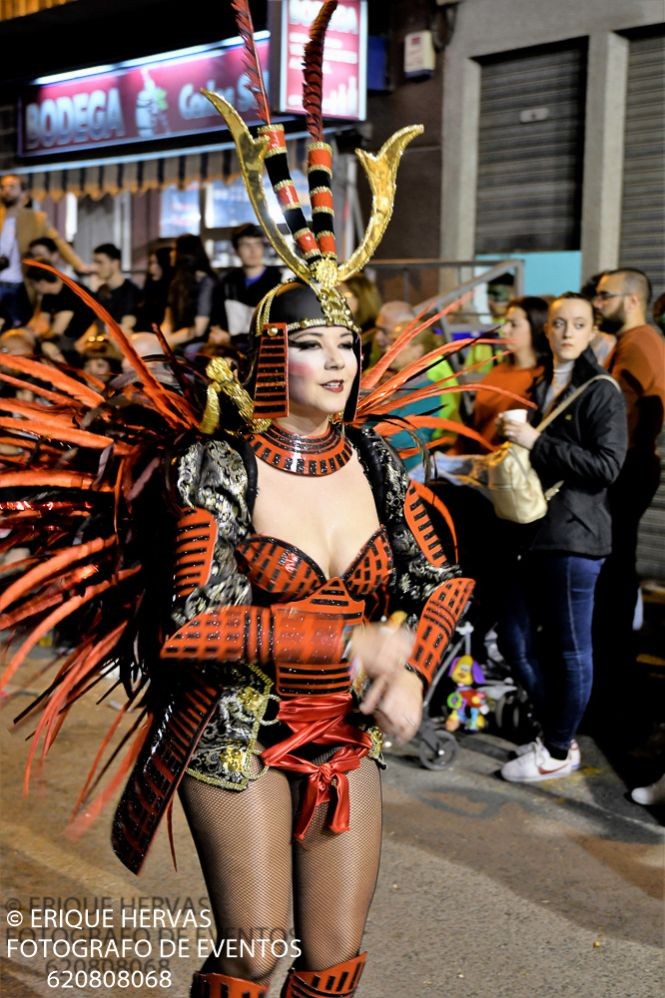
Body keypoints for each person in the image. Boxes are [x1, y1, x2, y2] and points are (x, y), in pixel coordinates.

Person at [0, 7, 473, 996]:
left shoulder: (382, 461)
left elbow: (439, 578)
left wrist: (413, 667)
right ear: (269, 356)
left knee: (334, 955)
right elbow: (188, 625)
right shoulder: (216, 467)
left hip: (347, 735)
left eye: (346, 340)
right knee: (253, 955)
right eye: (309, 341)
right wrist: (351, 642)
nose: (335, 358)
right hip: (233, 729)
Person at [497, 293, 627, 782]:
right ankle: (560, 730)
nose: (568, 332)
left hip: (576, 534)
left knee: (570, 649)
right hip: (530, 531)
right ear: (546, 330)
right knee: (514, 636)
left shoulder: (600, 390)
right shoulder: (539, 384)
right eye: (559, 324)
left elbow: (607, 467)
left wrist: (536, 441)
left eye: (579, 324)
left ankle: (555, 747)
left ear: (593, 331)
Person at [591, 268, 665, 702]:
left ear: (632, 299)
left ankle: (613, 673)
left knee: (614, 570)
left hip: (626, 471)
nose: (597, 304)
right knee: (617, 569)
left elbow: (623, 413)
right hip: (631, 469)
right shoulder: (635, 343)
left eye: (605, 297)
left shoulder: (638, 344)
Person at [0, 173, 89, 329]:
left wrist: (78, 265)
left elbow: (58, 242)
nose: (6, 190)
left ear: (23, 193)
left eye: (12, 186)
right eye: (2, 187)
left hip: (22, 284)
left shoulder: (36, 218)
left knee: (16, 328)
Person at [466, 295, 549, 449]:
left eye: (514, 324)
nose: (504, 330)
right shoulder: (497, 371)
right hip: (477, 457)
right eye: (505, 322)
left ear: (536, 327)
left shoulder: (544, 378)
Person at [209, 223, 283, 352]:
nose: (253, 250)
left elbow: (277, 326)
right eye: (246, 245)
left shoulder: (278, 281)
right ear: (236, 250)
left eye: (257, 244)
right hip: (230, 349)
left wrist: (232, 338)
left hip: (264, 349)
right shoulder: (227, 283)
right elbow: (217, 321)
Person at [162, 233, 216, 352]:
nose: (171, 254)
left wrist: (166, 342)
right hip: (178, 340)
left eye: (175, 250)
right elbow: (168, 321)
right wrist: (161, 341)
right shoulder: (177, 282)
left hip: (200, 344)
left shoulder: (206, 282)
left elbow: (198, 330)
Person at [92, 242, 141, 333]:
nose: (95, 267)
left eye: (100, 263)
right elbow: (96, 322)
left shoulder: (132, 292)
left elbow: (128, 326)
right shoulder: (101, 291)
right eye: (95, 263)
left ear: (115, 263)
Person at [135, 244, 173, 331]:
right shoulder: (150, 283)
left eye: (156, 262)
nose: (152, 267)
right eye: (151, 263)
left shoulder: (171, 287)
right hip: (145, 330)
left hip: (161, 332)